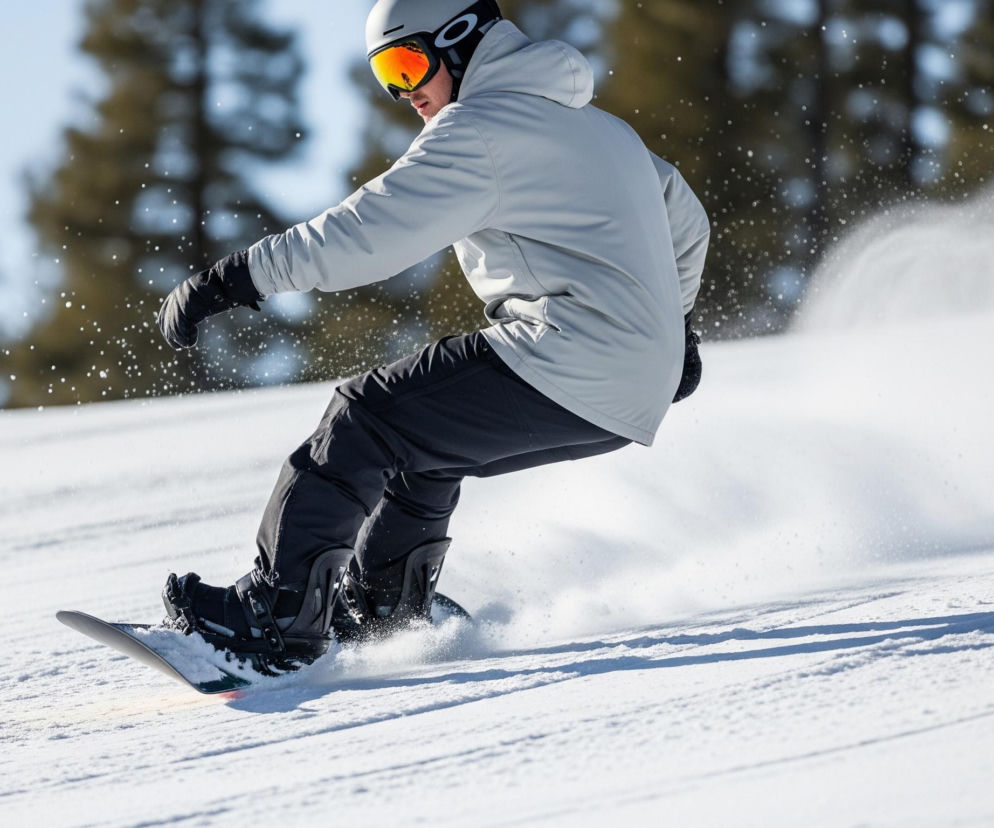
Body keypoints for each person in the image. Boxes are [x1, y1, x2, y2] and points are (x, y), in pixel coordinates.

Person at [156, 0, 710, 667]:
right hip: (628, 385)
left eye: (406, 61)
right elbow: (684, 217)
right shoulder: (602, 130)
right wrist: (671, 333)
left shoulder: (480, 128)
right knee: (422, 445)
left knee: (364, 418)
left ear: (461, 40)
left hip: (569, 353)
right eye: (385, 75)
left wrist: (235, 277)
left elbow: (368, 233)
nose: (403, 91)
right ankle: (385, 611)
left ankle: (278, 618)